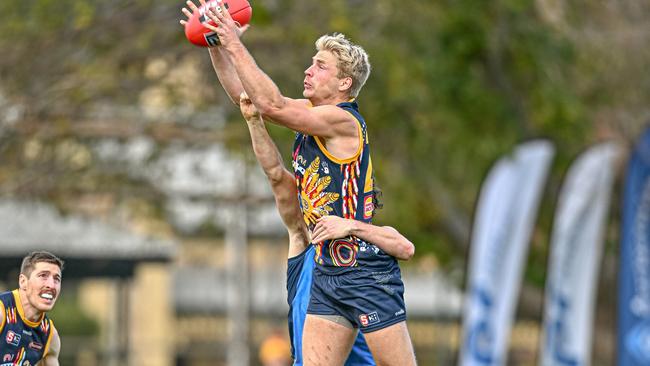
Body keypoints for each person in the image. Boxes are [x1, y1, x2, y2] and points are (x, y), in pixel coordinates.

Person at [181, 2, 417, 364]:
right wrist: (216, 45)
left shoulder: (344, 121)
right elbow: (250, 102)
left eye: (320, 66)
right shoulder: (310, 115)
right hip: (326, 271)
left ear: (344, 83)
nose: (308, 71)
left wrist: (234, 42)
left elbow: (272, 105)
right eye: (311, 62)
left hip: (365, 271)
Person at [238, 92, 414, 365]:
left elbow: (405, 248)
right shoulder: (302, 240)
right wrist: (253, 121)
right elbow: (274, 173)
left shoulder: (361, 251)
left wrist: (352, 226)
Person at [0, 251, 63, 366]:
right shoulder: (2, 311)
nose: (51, 285)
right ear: (23, 282)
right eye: (43, 276)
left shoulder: (50, 336)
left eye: (56, 279)